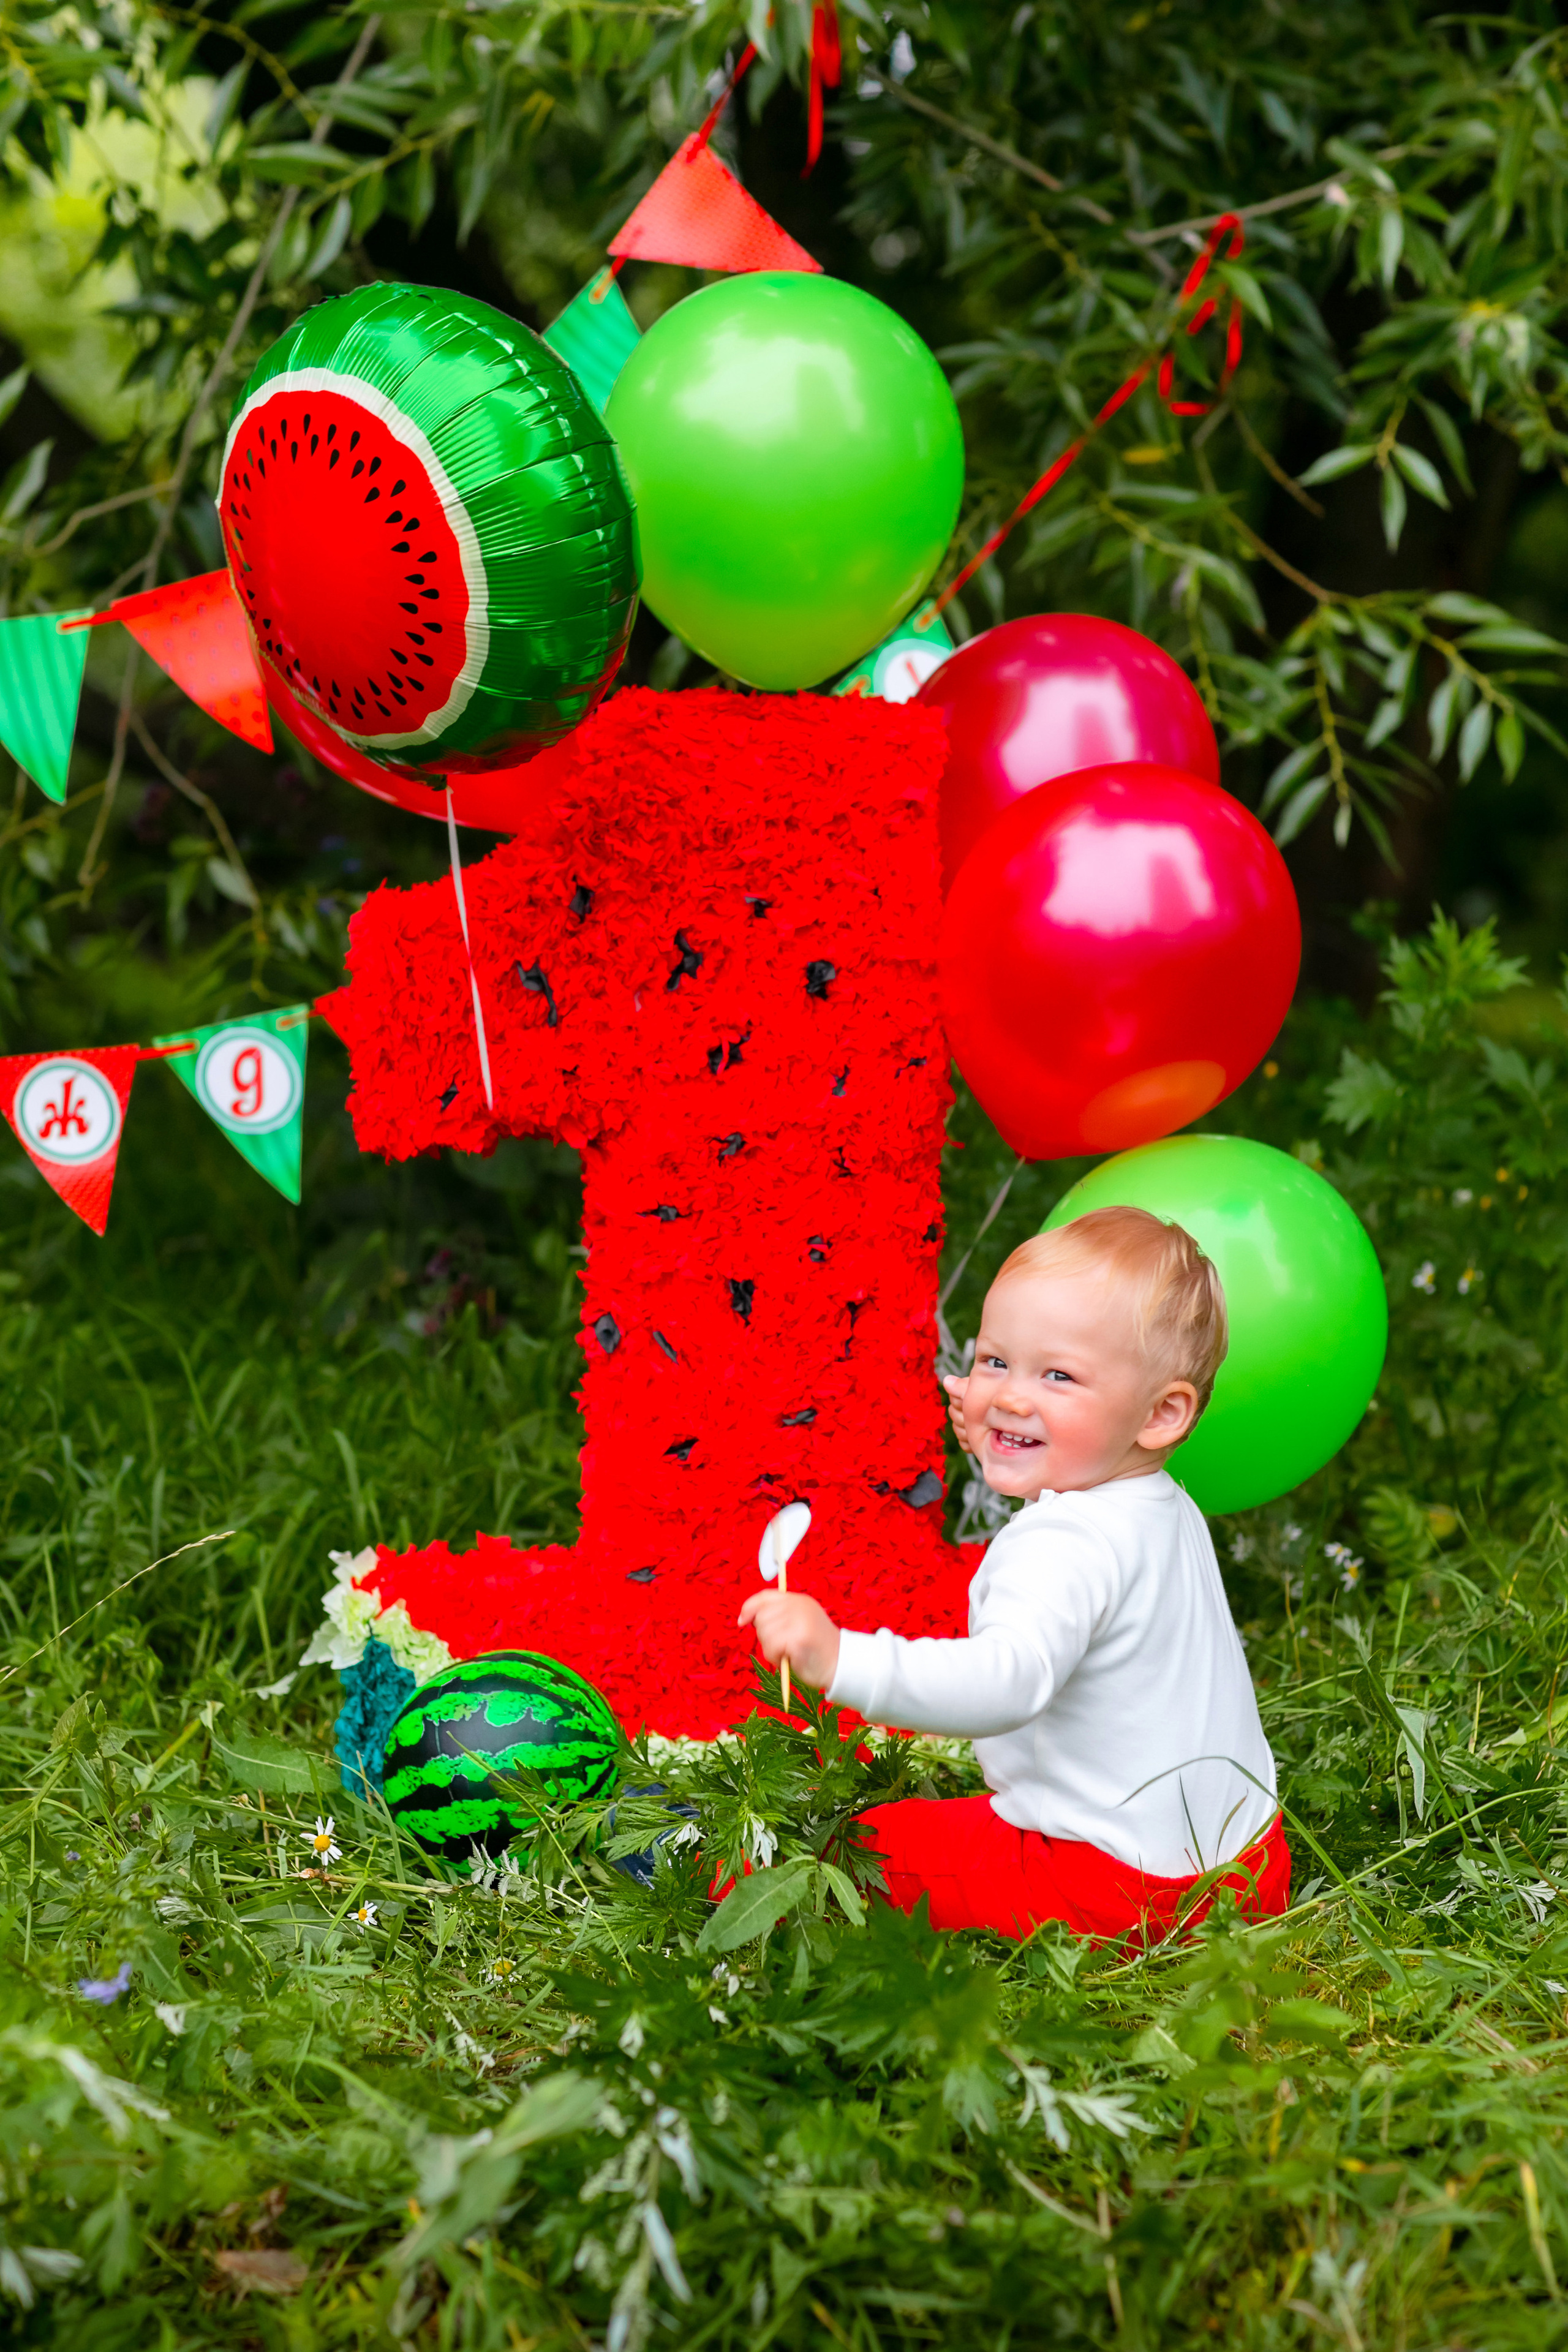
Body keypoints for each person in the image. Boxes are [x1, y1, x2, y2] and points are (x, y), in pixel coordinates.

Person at [738, 1206, 1289, 1944]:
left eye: (1056, 1374)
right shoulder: (1159, 1504)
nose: (1008, 1395)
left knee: (850, 1856)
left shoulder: (1060, 1544)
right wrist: (1009, 1438)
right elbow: (1068, 1482)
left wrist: (842, 1658)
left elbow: (1007, 1682)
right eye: (995, 1361)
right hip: (1245, 1871)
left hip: (1106, 1888)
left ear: (1160, 1414)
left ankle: (684, 1863)